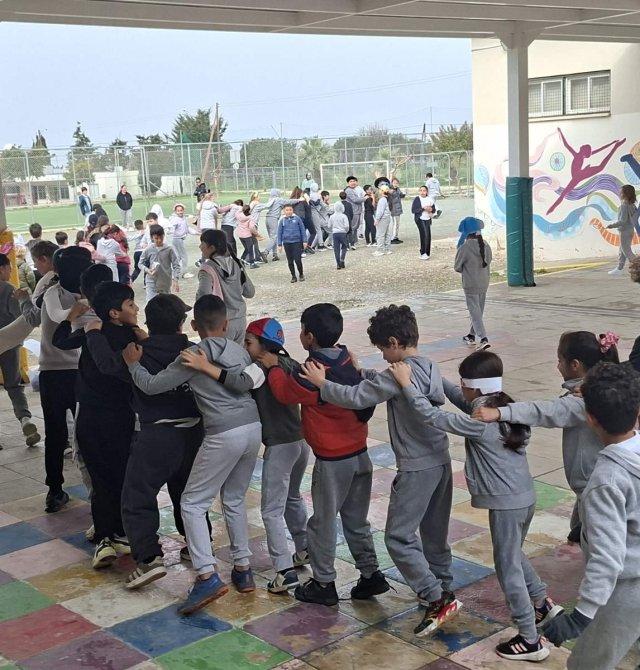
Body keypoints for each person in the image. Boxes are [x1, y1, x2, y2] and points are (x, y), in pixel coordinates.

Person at [390, 351, 562, 661]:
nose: (459, 389)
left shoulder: (479, 423)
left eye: (463, 384)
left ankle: (529, 638)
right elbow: (459, 396)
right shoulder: (503, 408)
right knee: (513, 554)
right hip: (524, 497)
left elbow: (433, 417)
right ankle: (541, 603)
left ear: (473, 388)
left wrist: (407, 384)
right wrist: (427, 367)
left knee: (507, 567)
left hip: (506, 504)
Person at [300, 305, 458, 633]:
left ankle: (436, 598)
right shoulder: (427, 364)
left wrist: (322, 382)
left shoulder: (397, 374)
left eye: (383, 349)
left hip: (416, 469)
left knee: (398, 537)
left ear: (394, 342)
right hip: (441, 461)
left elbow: (356, 398)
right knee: (434, 533)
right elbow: (383, 382)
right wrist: (363, 370)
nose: (384, 356)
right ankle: (443, 586)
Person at [123, 295, 262, 614]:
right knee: (234, 499)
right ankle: (243, 570)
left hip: (223, 432)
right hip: (252, 427)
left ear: (196, 325)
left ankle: (207, 576)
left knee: (192, 503)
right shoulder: (238, 349)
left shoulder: (193, 354)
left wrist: (132, 364)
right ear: (226, 324)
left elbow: (152, 386)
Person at [260, 303, 389, 607]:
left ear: (309, 336)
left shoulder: (313, 372)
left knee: (323, 523)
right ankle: (371, 574)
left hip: (333, 461)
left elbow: (285, 393)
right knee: (356, 520)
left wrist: (274, 366)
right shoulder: (347, 359)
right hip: (360, 454)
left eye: (302, 330)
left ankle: (323, 582)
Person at [84, 293, 211, 589]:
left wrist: (93, 335)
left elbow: (106, 364)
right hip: (195, 434)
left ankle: (149, 559)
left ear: (149, 323)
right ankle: (198, 545)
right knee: (189, 495)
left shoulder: (137, 353)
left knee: (137, 496)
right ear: (181, 323)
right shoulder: (194, 351)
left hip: (157, 436)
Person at [183, 317, 310, 594]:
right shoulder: (289, 362)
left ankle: (285, 571)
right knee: (292, 497)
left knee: (271, 510)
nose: (244, 347)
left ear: (263, 347)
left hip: (280, 446)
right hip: (301, 442)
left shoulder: (261, 366)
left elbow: (239, 383)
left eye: (249, 342)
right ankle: (304, 548)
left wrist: (205, 366)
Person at [472, 331, 620, 545]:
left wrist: (501, 412)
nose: (557, 366)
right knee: (582, 535)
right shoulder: (608, 388)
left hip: (595, 486)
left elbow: (545, 411)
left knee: (598, 548)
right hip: (593, 485)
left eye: (560, 360)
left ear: (575, 365)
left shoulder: (586, 400)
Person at [542, 362, 640, 670]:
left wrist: (580, 616)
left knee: (586, 666)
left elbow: (607, 559)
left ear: (590, 418)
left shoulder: (607, 480)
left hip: (627, 592)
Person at [53, 281, 138, 569]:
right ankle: (117, 534)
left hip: (91, 417)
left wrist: (71, 318)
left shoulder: (93, 331)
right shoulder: (131, 337)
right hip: (120, 417)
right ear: (115, 312)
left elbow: (59, 341)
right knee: (119, 475)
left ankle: (105, 538)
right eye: (131, 304)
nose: (136, 309)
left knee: (100, 479)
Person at [16, 244, 95, 513]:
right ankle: (68, 490)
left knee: (63, 434)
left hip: (59, 373)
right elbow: (59, 316)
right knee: (72, 433)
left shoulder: (58, 290)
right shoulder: (68, 295)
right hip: (69, 373)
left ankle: (62, 490)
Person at [0, 253, 40, 447]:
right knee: (14, 385)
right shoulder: (9, 289)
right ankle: (25, 419)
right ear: (1, 269)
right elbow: (22, 317)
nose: (10, 272)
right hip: (9, 344)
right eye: (9, 269)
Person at [196, 229, 255, 345]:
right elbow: (250, 292)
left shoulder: (207, 269)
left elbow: (203, 297)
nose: (200, 247)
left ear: (212, 247)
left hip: (221, 323)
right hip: (241, 320)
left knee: (222, 354)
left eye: (202, 243)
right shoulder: (237, 263)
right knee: (238, 353)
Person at [455, 217, 492, 350]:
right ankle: (471, 335)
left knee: (474, 311)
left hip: (470, 283)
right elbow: (489, 261)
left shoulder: (464, 247)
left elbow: (457, 267)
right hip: (484, 282)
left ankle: (483, 338)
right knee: (478, 310)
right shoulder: (486, 245)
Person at [139, 224, 181, 301]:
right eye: (156, 238)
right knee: (151, 303)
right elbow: (140, 263)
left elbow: (176, 265)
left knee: (165, 304)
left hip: (165, 283)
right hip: (151, 282)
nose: (159, 240)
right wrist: (147, 270)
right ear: (152, 238)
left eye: (161, 237)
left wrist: (176, 279)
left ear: (164, 235)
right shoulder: (149, 249)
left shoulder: (169, 249)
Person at [606, 184, 637, 276]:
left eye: (621, 192)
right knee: (622, 250)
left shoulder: (624, 206)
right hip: (630, 230)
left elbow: (622, 221)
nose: (620, 193)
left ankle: (638, 266)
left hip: (624, 231)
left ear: (625, 194)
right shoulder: (632, 205)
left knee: (627, 251)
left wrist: (612, 225)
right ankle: (619, 269)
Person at [263, 189, 303, 261]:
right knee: (274, 237)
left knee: (272, 238)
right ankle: (265, 252)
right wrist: (298, 200)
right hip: (273, 218)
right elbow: (288, 201)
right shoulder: (278, 200)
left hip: (267, 219)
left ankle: (275, 254)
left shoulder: (270, 199)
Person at [277, 204, 306, 283]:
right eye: (287, 210)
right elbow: (279, 233)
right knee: (290, 261)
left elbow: (302, 229)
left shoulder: (297, 218)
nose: (289, 212)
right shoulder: (282, 220)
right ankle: (293, 276)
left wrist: (304, 241)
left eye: (290, 210)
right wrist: (279, 244)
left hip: (296, 242)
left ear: (293, 210)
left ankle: (301, 274)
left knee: (298, 260)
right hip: (287, 242)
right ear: (284, 211)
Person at [411, 185, 436, 260]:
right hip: (420, 218)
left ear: (427, 192)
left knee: (428, 235)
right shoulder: (417, 199)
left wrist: (431, 210)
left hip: (427, 219)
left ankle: (427, 253)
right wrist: (423, 208)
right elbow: (413, 210)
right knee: (424, 234)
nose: (422, 192)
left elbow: (434, 209)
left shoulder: (430, 199)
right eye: (421, 190)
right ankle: (423, 253)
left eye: (424, 191)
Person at [170, 203, 194, 279]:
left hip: (178, 239)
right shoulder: (175, 219)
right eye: (178, 211)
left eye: (181, 210)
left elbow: (187, 228)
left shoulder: (183, 218)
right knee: (183, 257)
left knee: (178, 257)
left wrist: (196, 232)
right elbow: (171, 229)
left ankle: (174, 273)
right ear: (175, 211)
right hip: (177, 239)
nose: (180, 212)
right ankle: (184, 272)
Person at [345, 176, 366, 249]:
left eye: (354, 181)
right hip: (353, 211)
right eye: (351, 181)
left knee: (356, 227)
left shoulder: (354, 189)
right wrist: (365, 198)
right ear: (348, 183)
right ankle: (350, 243)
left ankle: (355, 241)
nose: (353, 183)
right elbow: (355, 200)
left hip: (357, 210)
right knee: (353, 227)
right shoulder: (348, 190)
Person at [236, 205, 260, 269]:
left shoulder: (239, 216)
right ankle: (252, 263)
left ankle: (241, 260)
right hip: (247, 235)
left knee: (246, 248)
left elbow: (237, 212)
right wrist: (256, 234)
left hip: (240, 235)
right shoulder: (250, 217)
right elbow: (252, 227)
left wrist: (241, 209)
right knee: (250, 249)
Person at [328, 202, 350, 270]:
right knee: (344, 246)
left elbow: (329, 226)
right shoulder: (344, 216)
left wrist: (333, 230)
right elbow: (346, 226)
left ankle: (338, 264)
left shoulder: (332, 216)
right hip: (343, 232)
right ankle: (342, 259)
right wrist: (346, 231)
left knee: (336, 249)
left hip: (335, 233)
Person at [373, 185, 392, 257]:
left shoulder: (382, 200)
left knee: (380, 234)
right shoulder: (387, 199)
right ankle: (387, 249)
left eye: (380, 190)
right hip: (387, 218)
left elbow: (380, 211)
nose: (379, 191)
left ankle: (380, 250)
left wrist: (377, 219)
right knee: (387, 234)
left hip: (382, 219)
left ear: (383, 191)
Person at [389, 178, 406, 244]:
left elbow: (401, 196)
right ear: (392, 183)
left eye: (396, 183)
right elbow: (390, 199)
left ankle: (395, 237)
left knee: (397, 224)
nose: (395, 184)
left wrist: (404, 193)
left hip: (398, 208)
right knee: (395, 224)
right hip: (394, 208)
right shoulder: (390, 190)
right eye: (394, 183)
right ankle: (393, 238)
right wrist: (390, 192)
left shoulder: (397, 189)